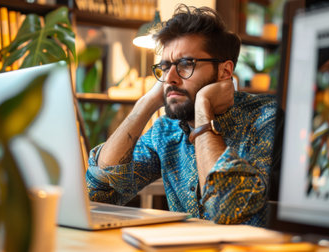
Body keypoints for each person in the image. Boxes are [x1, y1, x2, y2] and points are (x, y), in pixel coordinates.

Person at [85, 4, 279, 227]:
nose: (170, 78)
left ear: (225, 71)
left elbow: (227, 209)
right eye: (166, 67)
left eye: (186, 64)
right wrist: (144, 105)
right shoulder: (165, 131)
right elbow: (98, 193)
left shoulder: (266, 118)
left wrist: (203, 108)